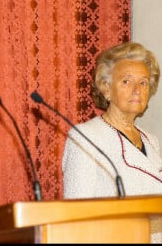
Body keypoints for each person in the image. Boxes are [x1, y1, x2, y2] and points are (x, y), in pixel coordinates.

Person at [62, 42, 162, 243]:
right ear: (106, 88)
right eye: (127, 81)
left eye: (143, 83)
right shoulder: (85, 136)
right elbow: (77, 214)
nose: (137, 90)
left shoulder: (151, 140)